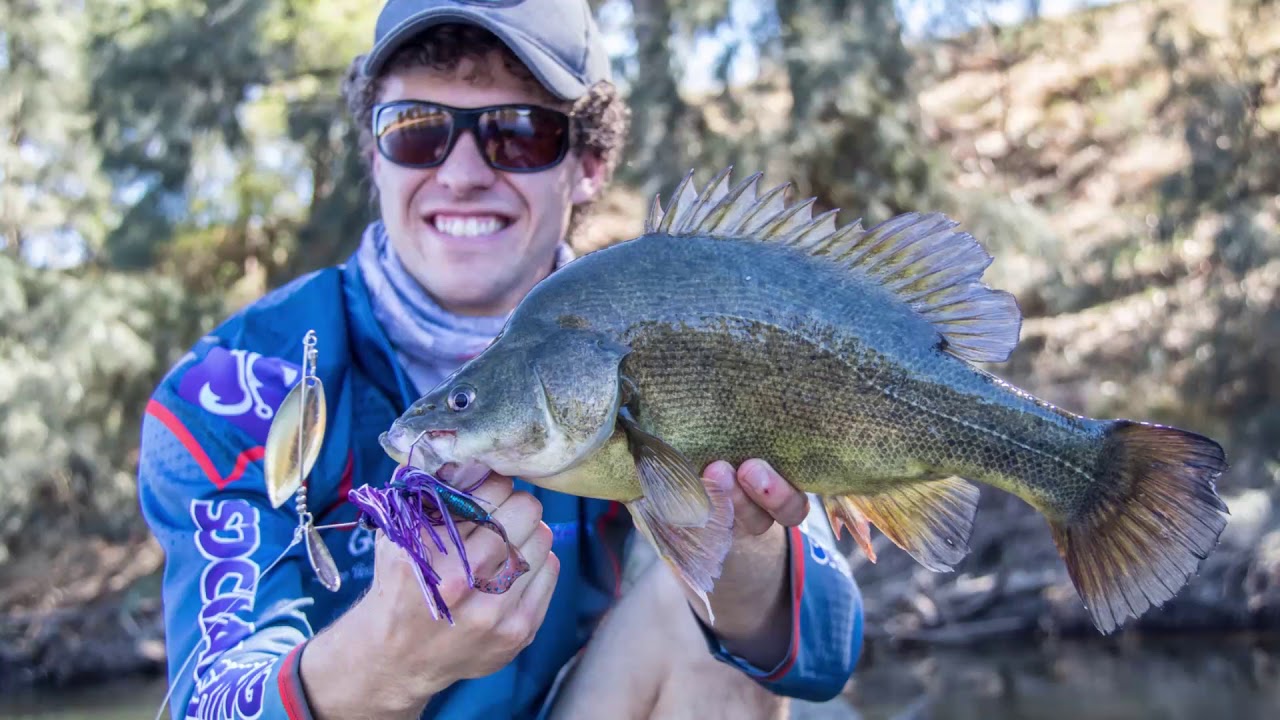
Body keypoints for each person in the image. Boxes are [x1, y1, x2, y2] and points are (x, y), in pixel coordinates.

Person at [136, 1, 865, 718]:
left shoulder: (687, 321)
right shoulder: (230, 390)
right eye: (418, 132)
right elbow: (209, 700)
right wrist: (382, 664)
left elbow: (826, 650)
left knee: (702, 627)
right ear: (373, 155)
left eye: (517, 134)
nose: (461, 174)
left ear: (589, 166)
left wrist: (734, 548)